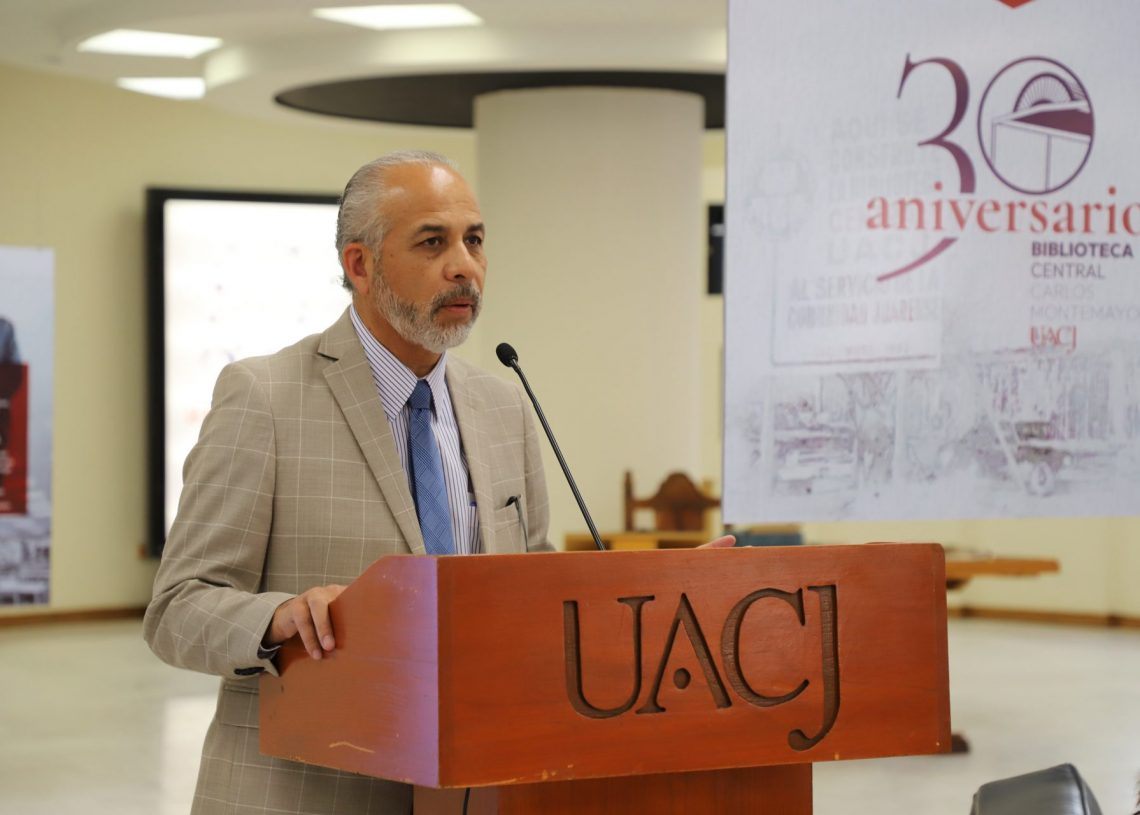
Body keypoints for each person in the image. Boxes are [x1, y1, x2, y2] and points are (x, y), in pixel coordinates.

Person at [143, 151, 553, 814]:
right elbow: (176, 609)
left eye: (474, 240)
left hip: (470, 785)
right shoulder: (264, 397)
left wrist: (640, 599)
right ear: (359, 265)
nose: (464, 266)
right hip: (306, 790)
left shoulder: (503, 406)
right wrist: (277, 617)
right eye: (433, 242)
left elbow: (535, 586)